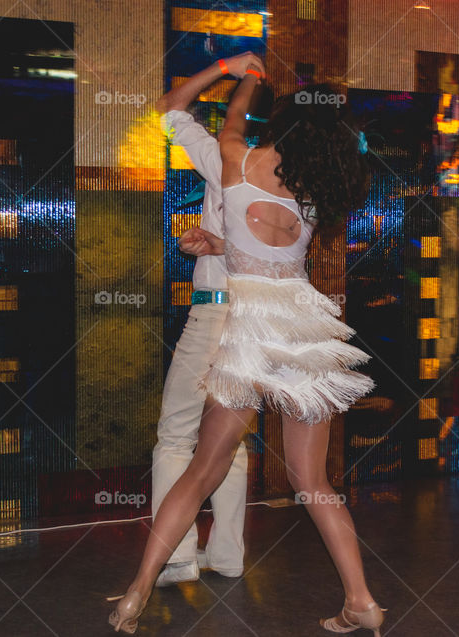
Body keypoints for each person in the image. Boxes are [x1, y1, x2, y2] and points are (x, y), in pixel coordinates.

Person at [109, 54, 384, 636]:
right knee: (314, 482)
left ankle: (136, 594)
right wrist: (217, 247)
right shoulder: (313, 190)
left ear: (280, 123)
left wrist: (246, 76)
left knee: (201, 468)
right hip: (306, 327)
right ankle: (361, 600)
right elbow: (268, 252)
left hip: (251, 327)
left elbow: (210, 115)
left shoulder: (238, 161)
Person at [148, 51, 268, 589]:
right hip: (261, 320)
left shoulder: (227, 158)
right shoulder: (286, 176)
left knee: (177, 436)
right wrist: (215, 244)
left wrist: (226, 66)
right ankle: (227, 556)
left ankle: (175, 558)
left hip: (217, 310)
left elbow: (171, 107)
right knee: (228, 441)